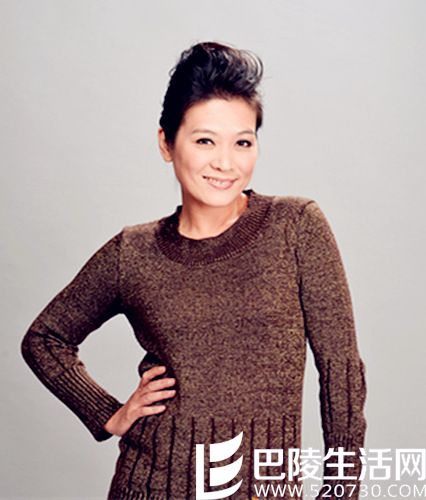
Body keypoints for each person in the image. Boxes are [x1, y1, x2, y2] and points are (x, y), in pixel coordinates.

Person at [21, 41, 367, 500]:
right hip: (150, 486)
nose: (226, 162)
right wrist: (108, 413)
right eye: (205, 140)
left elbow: (340, 370)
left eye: (243, 142)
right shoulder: (134, 251)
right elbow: (44, 339)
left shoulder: (295, 226)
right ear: (166, 143)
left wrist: (340, 490)